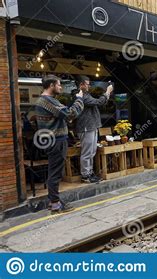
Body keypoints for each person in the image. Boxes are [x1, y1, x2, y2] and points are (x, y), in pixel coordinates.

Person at [35, 75, 84, 214]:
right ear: (51, 85)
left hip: (52, 140)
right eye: (59, 84)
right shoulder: (47, 101)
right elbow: (70, 114)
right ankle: (55, 204)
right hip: (56, 141)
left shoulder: (45, 100)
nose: (61, 87)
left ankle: (54, 202)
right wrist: (79, 99)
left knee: (54, 172)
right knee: (55, 173)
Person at [75, 76, 113, 183]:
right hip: (86, 127)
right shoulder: (81, 95)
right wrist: (107, 92)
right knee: (87, 152)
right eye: (87, 84)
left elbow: (99, 102)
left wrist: (106, 95)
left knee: (92, 152)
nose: (89, 85)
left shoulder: (86, 94)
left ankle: (90, 173)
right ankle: (85, 175)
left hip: (92, 126)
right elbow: (98, 102)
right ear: (81, 84)